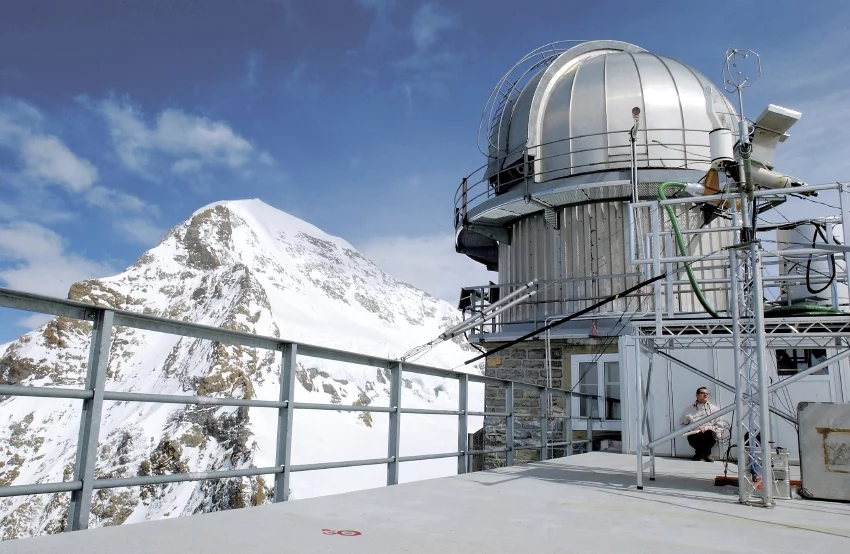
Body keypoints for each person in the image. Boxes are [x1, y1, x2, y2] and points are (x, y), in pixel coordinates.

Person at [681, 387, 722, 461]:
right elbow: (684, 423)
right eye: (703, 393)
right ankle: (698, 453)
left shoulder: (714, 409)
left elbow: (719, 425)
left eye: (707, 394)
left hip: (709, 434)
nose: (705, 395)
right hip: (695, 435)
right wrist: (692, 430)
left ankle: (707, 454)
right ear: (697, 395)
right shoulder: (689, 409)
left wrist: (706, 428)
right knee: (694, 434)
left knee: (708, 433)